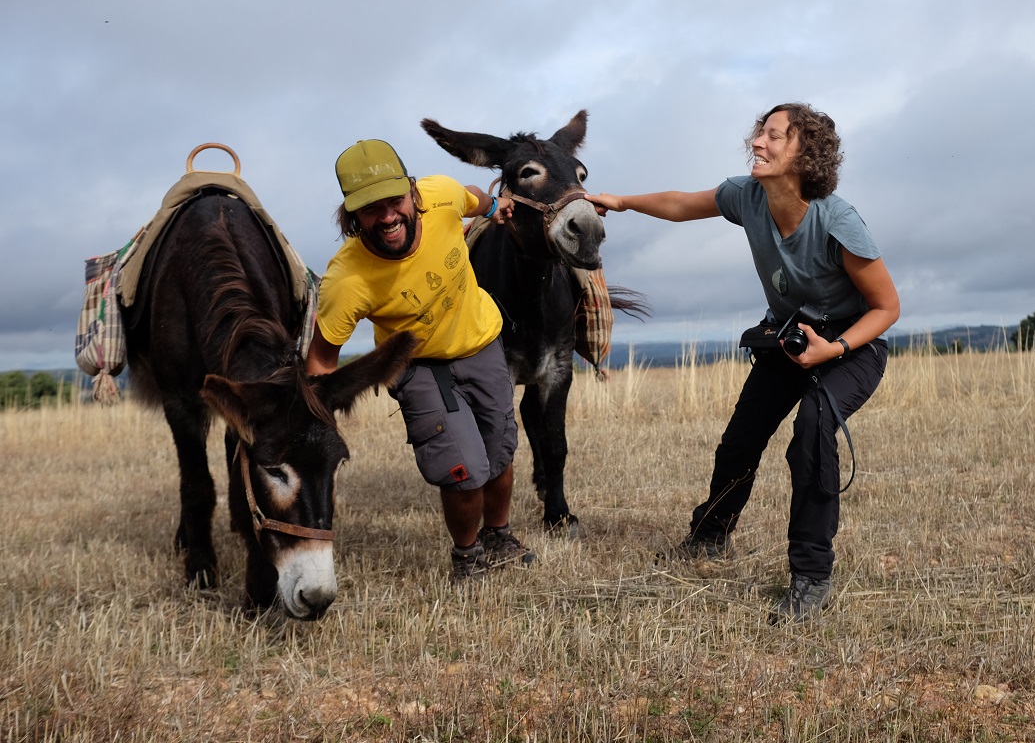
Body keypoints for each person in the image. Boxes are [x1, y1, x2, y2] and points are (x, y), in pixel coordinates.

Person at [587, 103, 900, 622]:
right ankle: (710, 537)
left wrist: (834, 349)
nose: (758, 142)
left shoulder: (836, 219)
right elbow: (684, 204)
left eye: (775, 137)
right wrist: (620, 201)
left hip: (851, 346)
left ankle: (811, 575)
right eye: (761, 132)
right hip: (789, 340)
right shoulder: (747, 195)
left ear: (806, 155)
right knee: (740, 441)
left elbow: (887, 307)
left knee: (813, 432)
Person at [306, 138, 535, 581]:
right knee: (464, 468)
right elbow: (321, 359)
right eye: (371, 208)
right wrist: (311, 425)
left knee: (500, 452)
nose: (388, 216)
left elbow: (475, 197)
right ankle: (467, 557)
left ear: (414, 194)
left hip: (481, 342)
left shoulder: (442, 195)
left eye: (394, 200)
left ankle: (499, 534)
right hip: (420, 366)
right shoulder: (346, 280)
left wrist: (494, 209)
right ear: (353, 217)